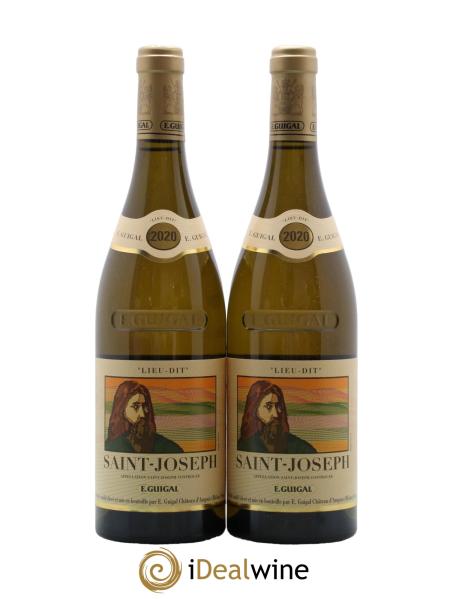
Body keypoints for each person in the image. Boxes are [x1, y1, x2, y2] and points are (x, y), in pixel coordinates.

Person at [237, 380, 316, 453]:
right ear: (254, 410)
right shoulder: (244, 445)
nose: (276, 414)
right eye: (268, 406)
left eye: (278, 406)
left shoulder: (301, 448)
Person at [105, 380, 183, 453]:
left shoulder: (169, 447)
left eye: (145, 406)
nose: (142, 414)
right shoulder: (112, 446)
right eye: (136, 406)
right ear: (122, 409)